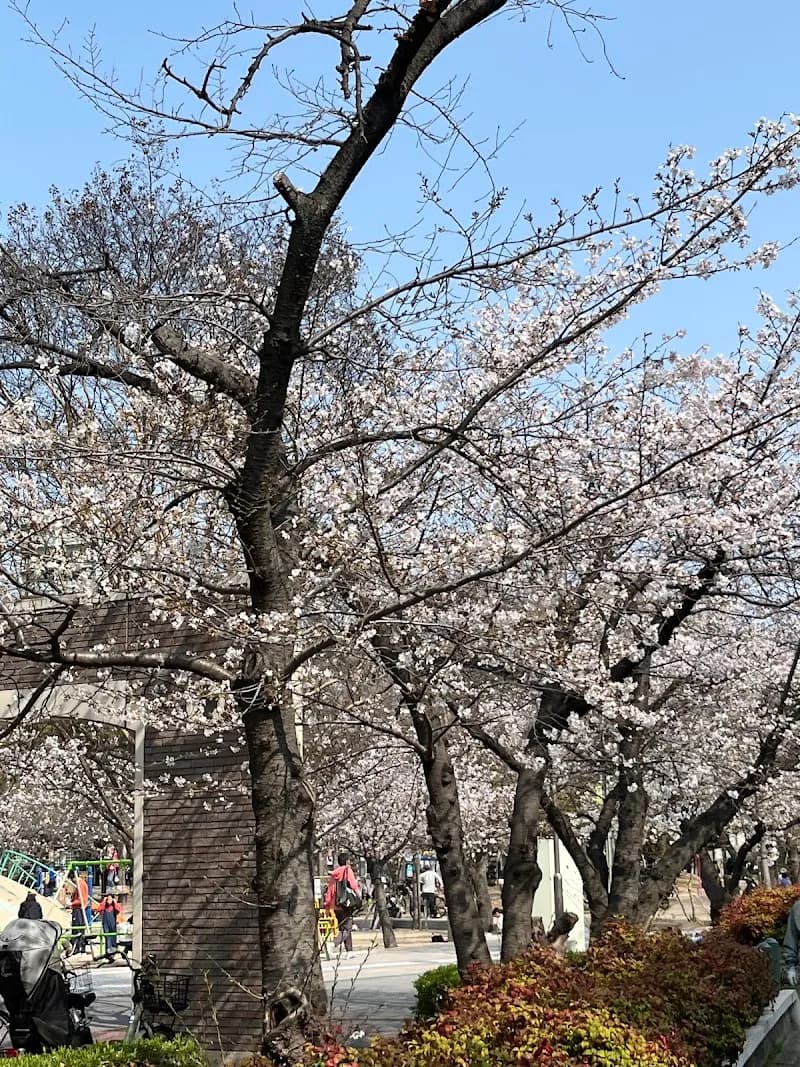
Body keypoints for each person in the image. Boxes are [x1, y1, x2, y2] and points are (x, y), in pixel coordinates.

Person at [324, 854, 361, 957]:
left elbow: (330, 890)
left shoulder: (334, 875)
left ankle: (349, 951)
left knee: (342, 927)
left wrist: (327, 905)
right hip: (346, 904)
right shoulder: (347, 871)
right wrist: (359, 895)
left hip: (336, 905)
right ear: (347, 861)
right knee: (348, 928)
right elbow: (353, 885)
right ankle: (333, 944)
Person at [94, 893, 122, 957]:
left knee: (113, 938)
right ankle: (108, 953)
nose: (109, 901)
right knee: (107, 938)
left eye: (110, 899)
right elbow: (99, 909)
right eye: (108, 899)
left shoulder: (114, 906)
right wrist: (103, 901)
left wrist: (115, 902)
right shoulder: (104, 906)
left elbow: (119, 910)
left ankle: (113, 952)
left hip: (113, 925)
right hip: (106, 925)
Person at [69, 869, 90, 954]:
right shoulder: (83, 884)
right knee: (80, 928)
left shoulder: (80, 884)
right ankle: (81, 946)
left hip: (78, 909)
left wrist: (71, 903)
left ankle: (77, 947)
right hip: (80, 908)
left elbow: (81, 899)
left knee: (77, 928)